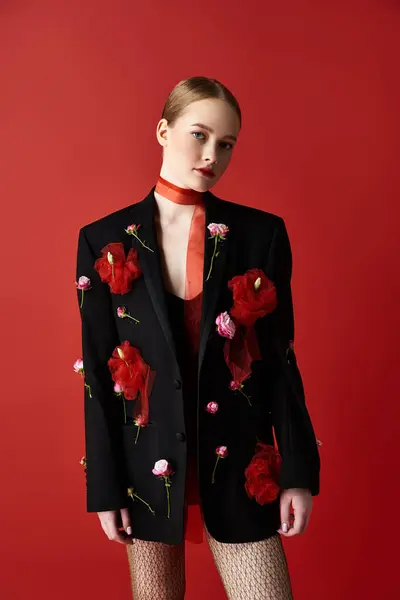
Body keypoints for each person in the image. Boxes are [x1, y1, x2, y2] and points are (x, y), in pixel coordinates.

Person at [75, 76, 321, 600]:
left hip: (239, 467)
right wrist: (103, 487)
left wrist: (297, 471)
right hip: (146, 470)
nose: (212, 155)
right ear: (163, 131)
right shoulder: (104, 241)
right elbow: (97, 373)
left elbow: (281, 361)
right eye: (200, 135)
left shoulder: (261, 235)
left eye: (226, 143)